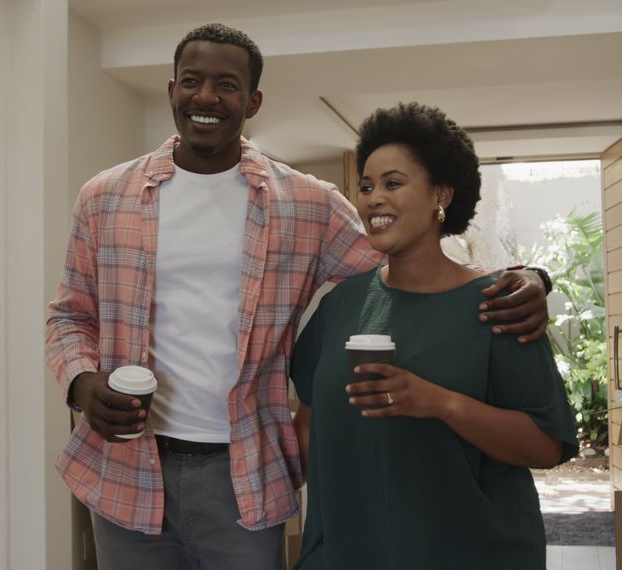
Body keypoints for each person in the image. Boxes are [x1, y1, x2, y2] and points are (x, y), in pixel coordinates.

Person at [45, 23, 551, 570]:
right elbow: (70, 315)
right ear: (172, 91)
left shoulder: (306, 204)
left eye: (227, 85)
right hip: (124, 468)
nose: (206, 97)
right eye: (191, 81)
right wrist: (82, 381)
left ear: (253, 100)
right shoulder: (104, 197)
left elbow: (410, 257)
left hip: (243, 478)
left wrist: (529, 276)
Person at [289, 102, 579, 569]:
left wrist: (439, 403)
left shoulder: (498, 303)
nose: (372, 198)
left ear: (440, 195)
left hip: (470, 554)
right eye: (366, 186)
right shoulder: (340, 306)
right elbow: (308, 427)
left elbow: (546, 446)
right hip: (348, 554)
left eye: (393, 183)